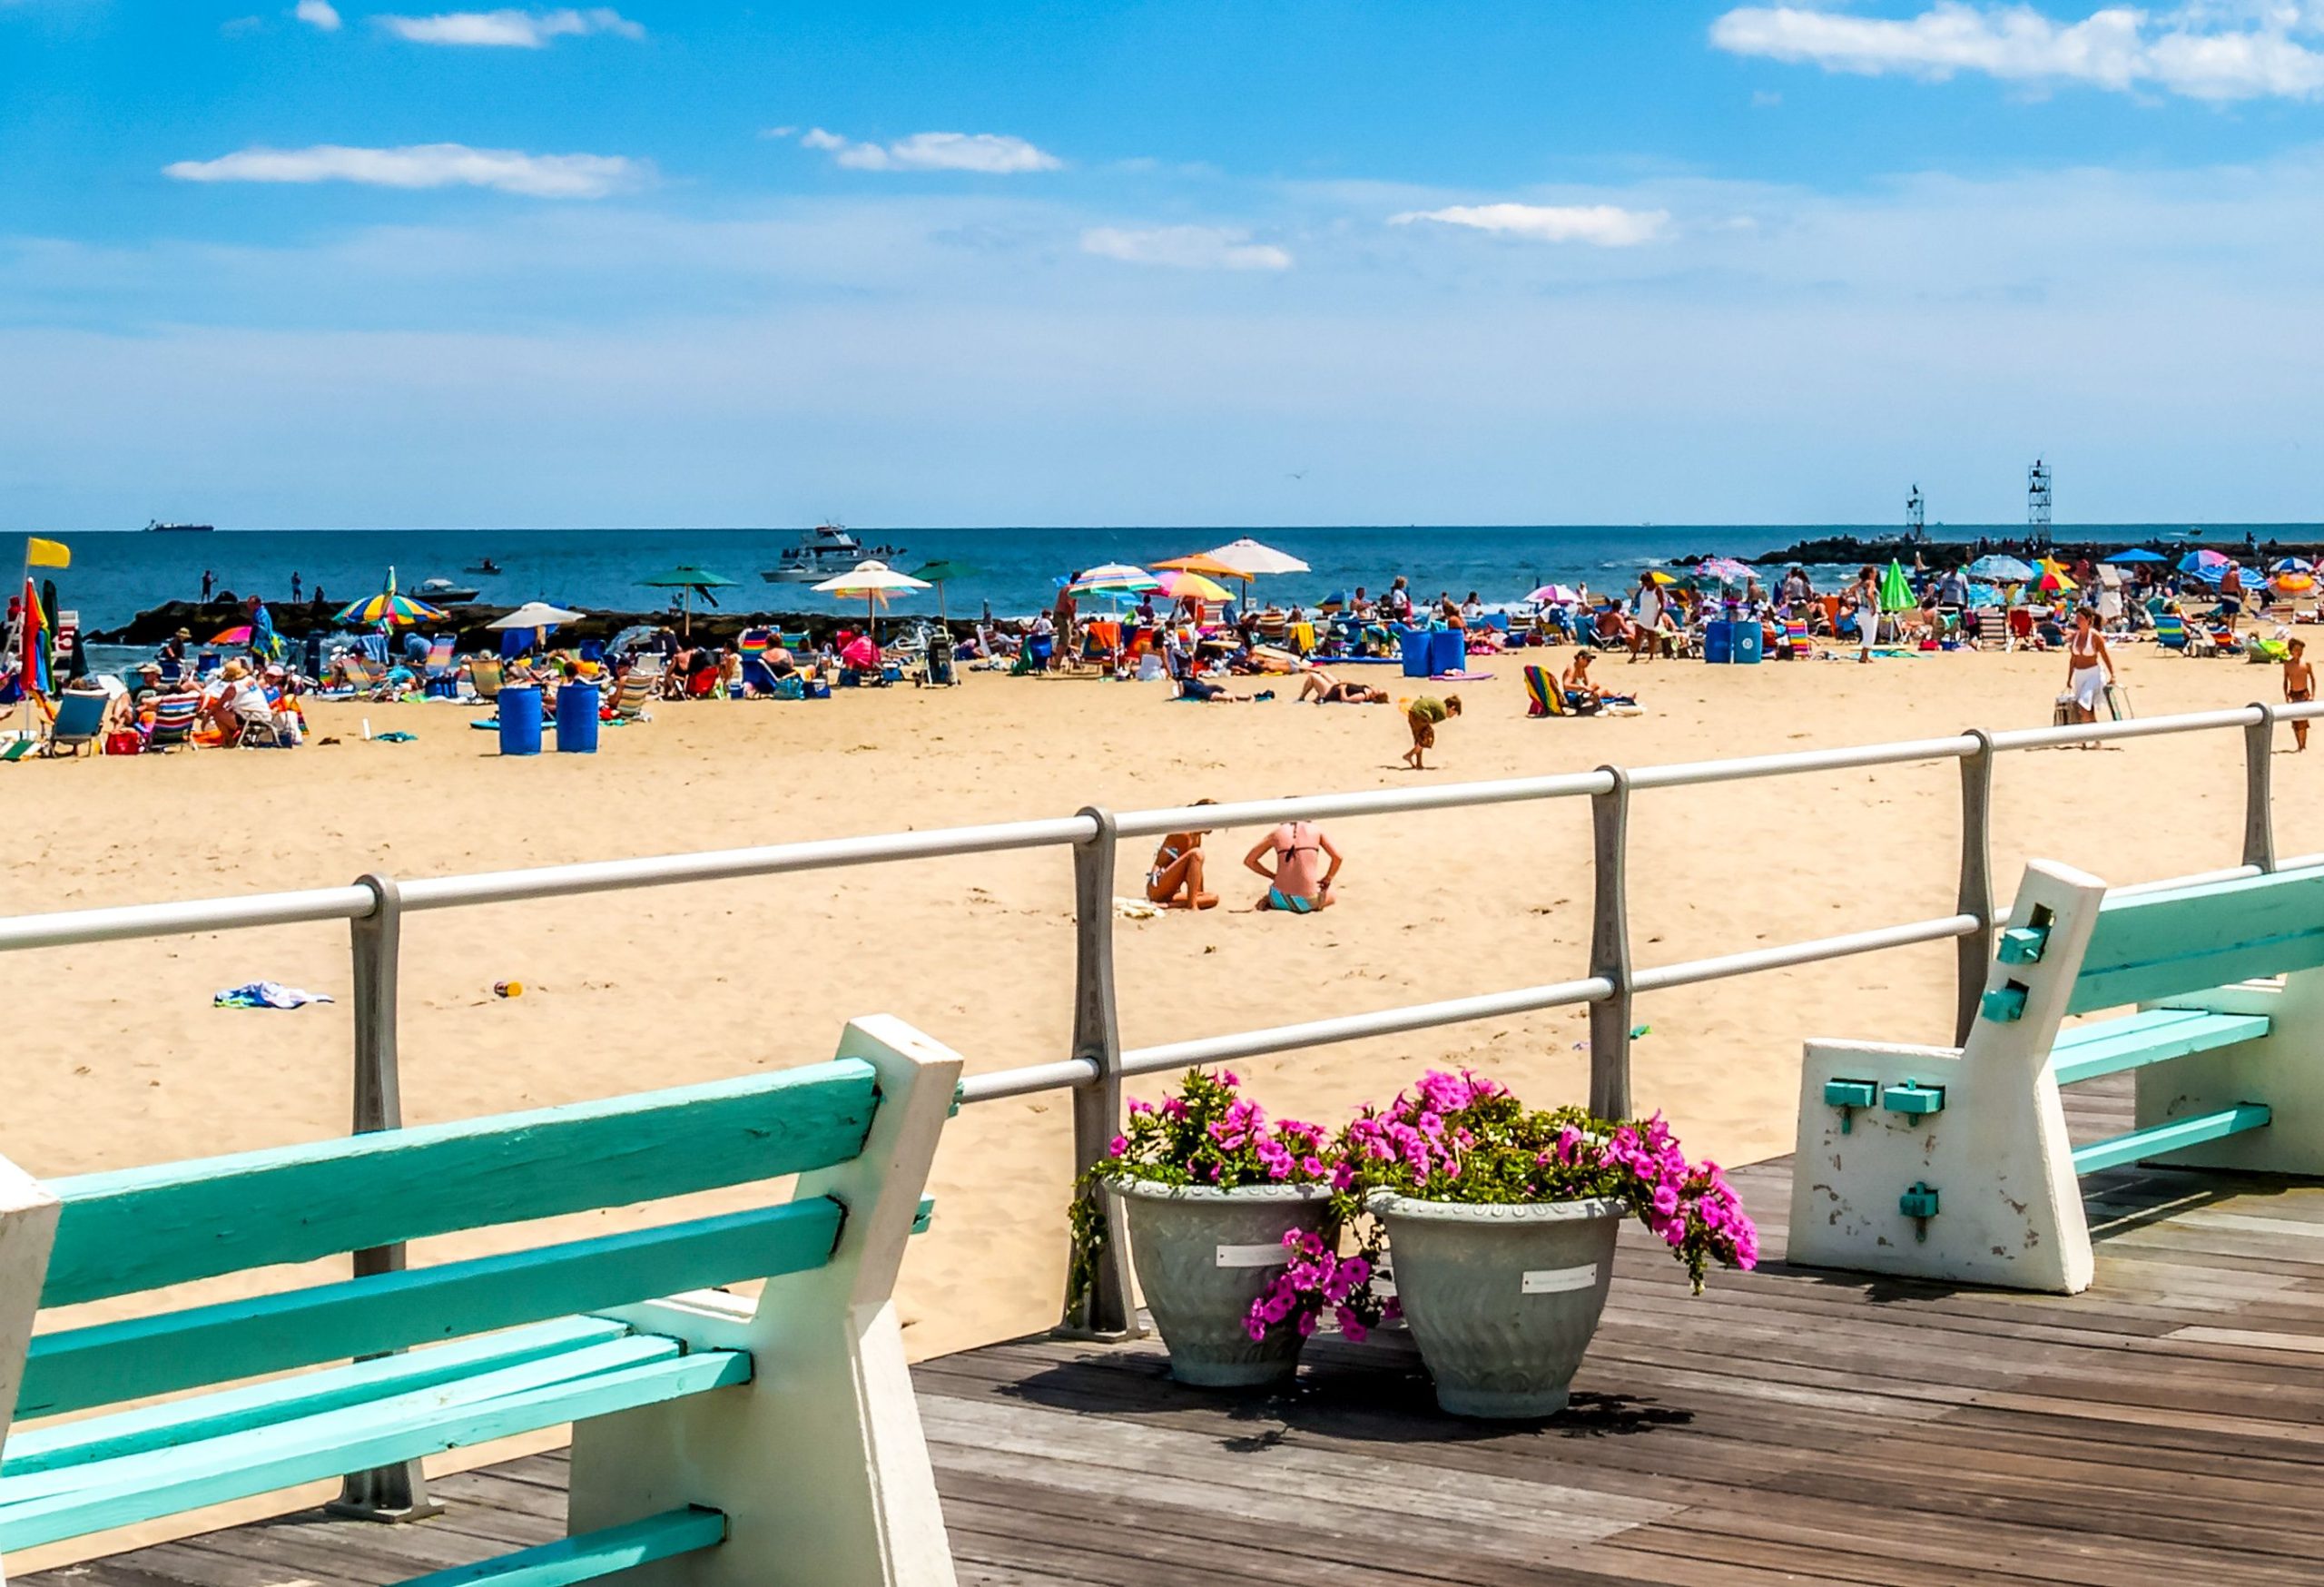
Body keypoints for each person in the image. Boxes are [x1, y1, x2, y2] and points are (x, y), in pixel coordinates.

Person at [1244, 818, 1342, 912]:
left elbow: (1249, 861)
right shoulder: (1315, 830)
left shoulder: (1276, 833)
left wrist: (1273, 876)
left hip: (1278, 899)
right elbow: (1338, 858)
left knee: (1277, 889)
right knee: (1332, 892)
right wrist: (1328, 878)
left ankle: (1269, 899)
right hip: (1307, 902)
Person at [1145, 802, 1220, 910]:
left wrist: (1199, 893)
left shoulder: (1196, 836)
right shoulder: (1184, 835)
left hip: (1172, 890)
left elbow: (1194, 868)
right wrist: (1195, 897)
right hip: (1157, 886)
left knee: (1213, 898)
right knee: (1197, 853)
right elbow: (1187, 869)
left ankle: (1169, 905)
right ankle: (1191, 906)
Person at [2063, 606, 2116, 727]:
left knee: (2083, 705)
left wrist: (2113, 675)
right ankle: (2094, 736)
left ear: (2088, 620)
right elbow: (2073, 659)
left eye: (2080, 618)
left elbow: (2105, 656)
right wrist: (2069, 678)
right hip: (2079, 675)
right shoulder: (2075, 636)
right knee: (2087, 708)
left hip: (2094, 674)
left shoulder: (2095, 636)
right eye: (2077, 618)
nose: (2077, 620)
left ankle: (2093, 734)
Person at [1402, 693, 1460, 770]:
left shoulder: (1440, 704)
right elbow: (1431, 722)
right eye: (1454, 713)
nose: (1452, 716)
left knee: (1419, 738)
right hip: (1421, 714)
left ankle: (1419, 764)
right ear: (1452, 708)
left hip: (1412, 712)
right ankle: (1409, 755)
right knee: (1427, 737)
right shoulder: (1443, 712)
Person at [1296, 669, 1387, 705]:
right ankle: (1318, 697)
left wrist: (1343, 688)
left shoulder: (1362, 696)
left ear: (1375, 697)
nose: (1376, 689)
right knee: (1324, 673)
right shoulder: (1369, 689)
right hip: (1338, 686)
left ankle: (1301, 697)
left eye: (1378, 691)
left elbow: (1345, 699)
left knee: (1312, 676)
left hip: (1332, 692)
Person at [2286, 638, 2314, 752]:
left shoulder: (2306, 664)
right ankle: (2299, 744)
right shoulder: (2288, 664)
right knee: (2295, 721)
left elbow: (2312, 679)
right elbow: (2285, 681)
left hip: (2303, 693)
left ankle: (2303, 745)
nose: (2299, 652)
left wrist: (2312, 694)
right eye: (2297, 650)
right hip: (2293, 693)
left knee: (2303, 721)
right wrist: (2286, 695)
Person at [1853, 566, 1881, 663]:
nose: (1876, 574)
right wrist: (1874, 606)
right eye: (1875, 572)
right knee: (1871, 634)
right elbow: (1869, 594)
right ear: (1870, 574)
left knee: (1866, 633)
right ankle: (1863, 656)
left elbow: (1851, 589)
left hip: (1861, 610)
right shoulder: (1871, 582)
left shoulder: (1861, 583)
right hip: (1869, 610)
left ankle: (1865, 656)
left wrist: (1858, 600)